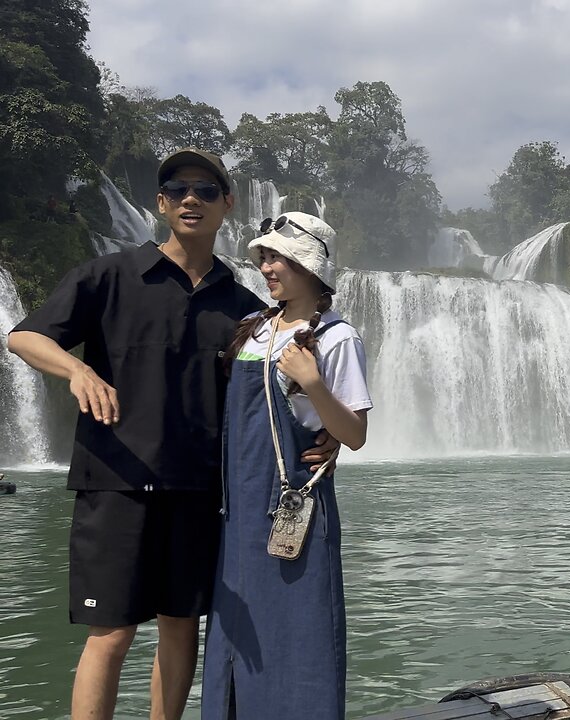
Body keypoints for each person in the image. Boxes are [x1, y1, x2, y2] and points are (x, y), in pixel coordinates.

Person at [5, 148, 337, 720]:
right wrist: (79, 369)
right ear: (160, 203)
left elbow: (293, 375)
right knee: (110, 634)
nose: (191, 198)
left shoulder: (246, 309)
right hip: (116, 481)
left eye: (206, 190)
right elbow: (24, 338)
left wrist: (326, 428)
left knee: (181, 628)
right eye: (177, 189)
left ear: (226, 205)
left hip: (199, 491)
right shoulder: (107, 276)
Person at [202, 212, 371, 720]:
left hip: (291, 512)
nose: (267, 267)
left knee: (300, 638)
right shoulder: (251, 330)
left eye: (278, 258)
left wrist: (312, 382)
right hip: (236, 518)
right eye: (265, 258)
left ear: (310, 267)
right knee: (238, 644)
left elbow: (357, 435)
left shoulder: (339, 339)